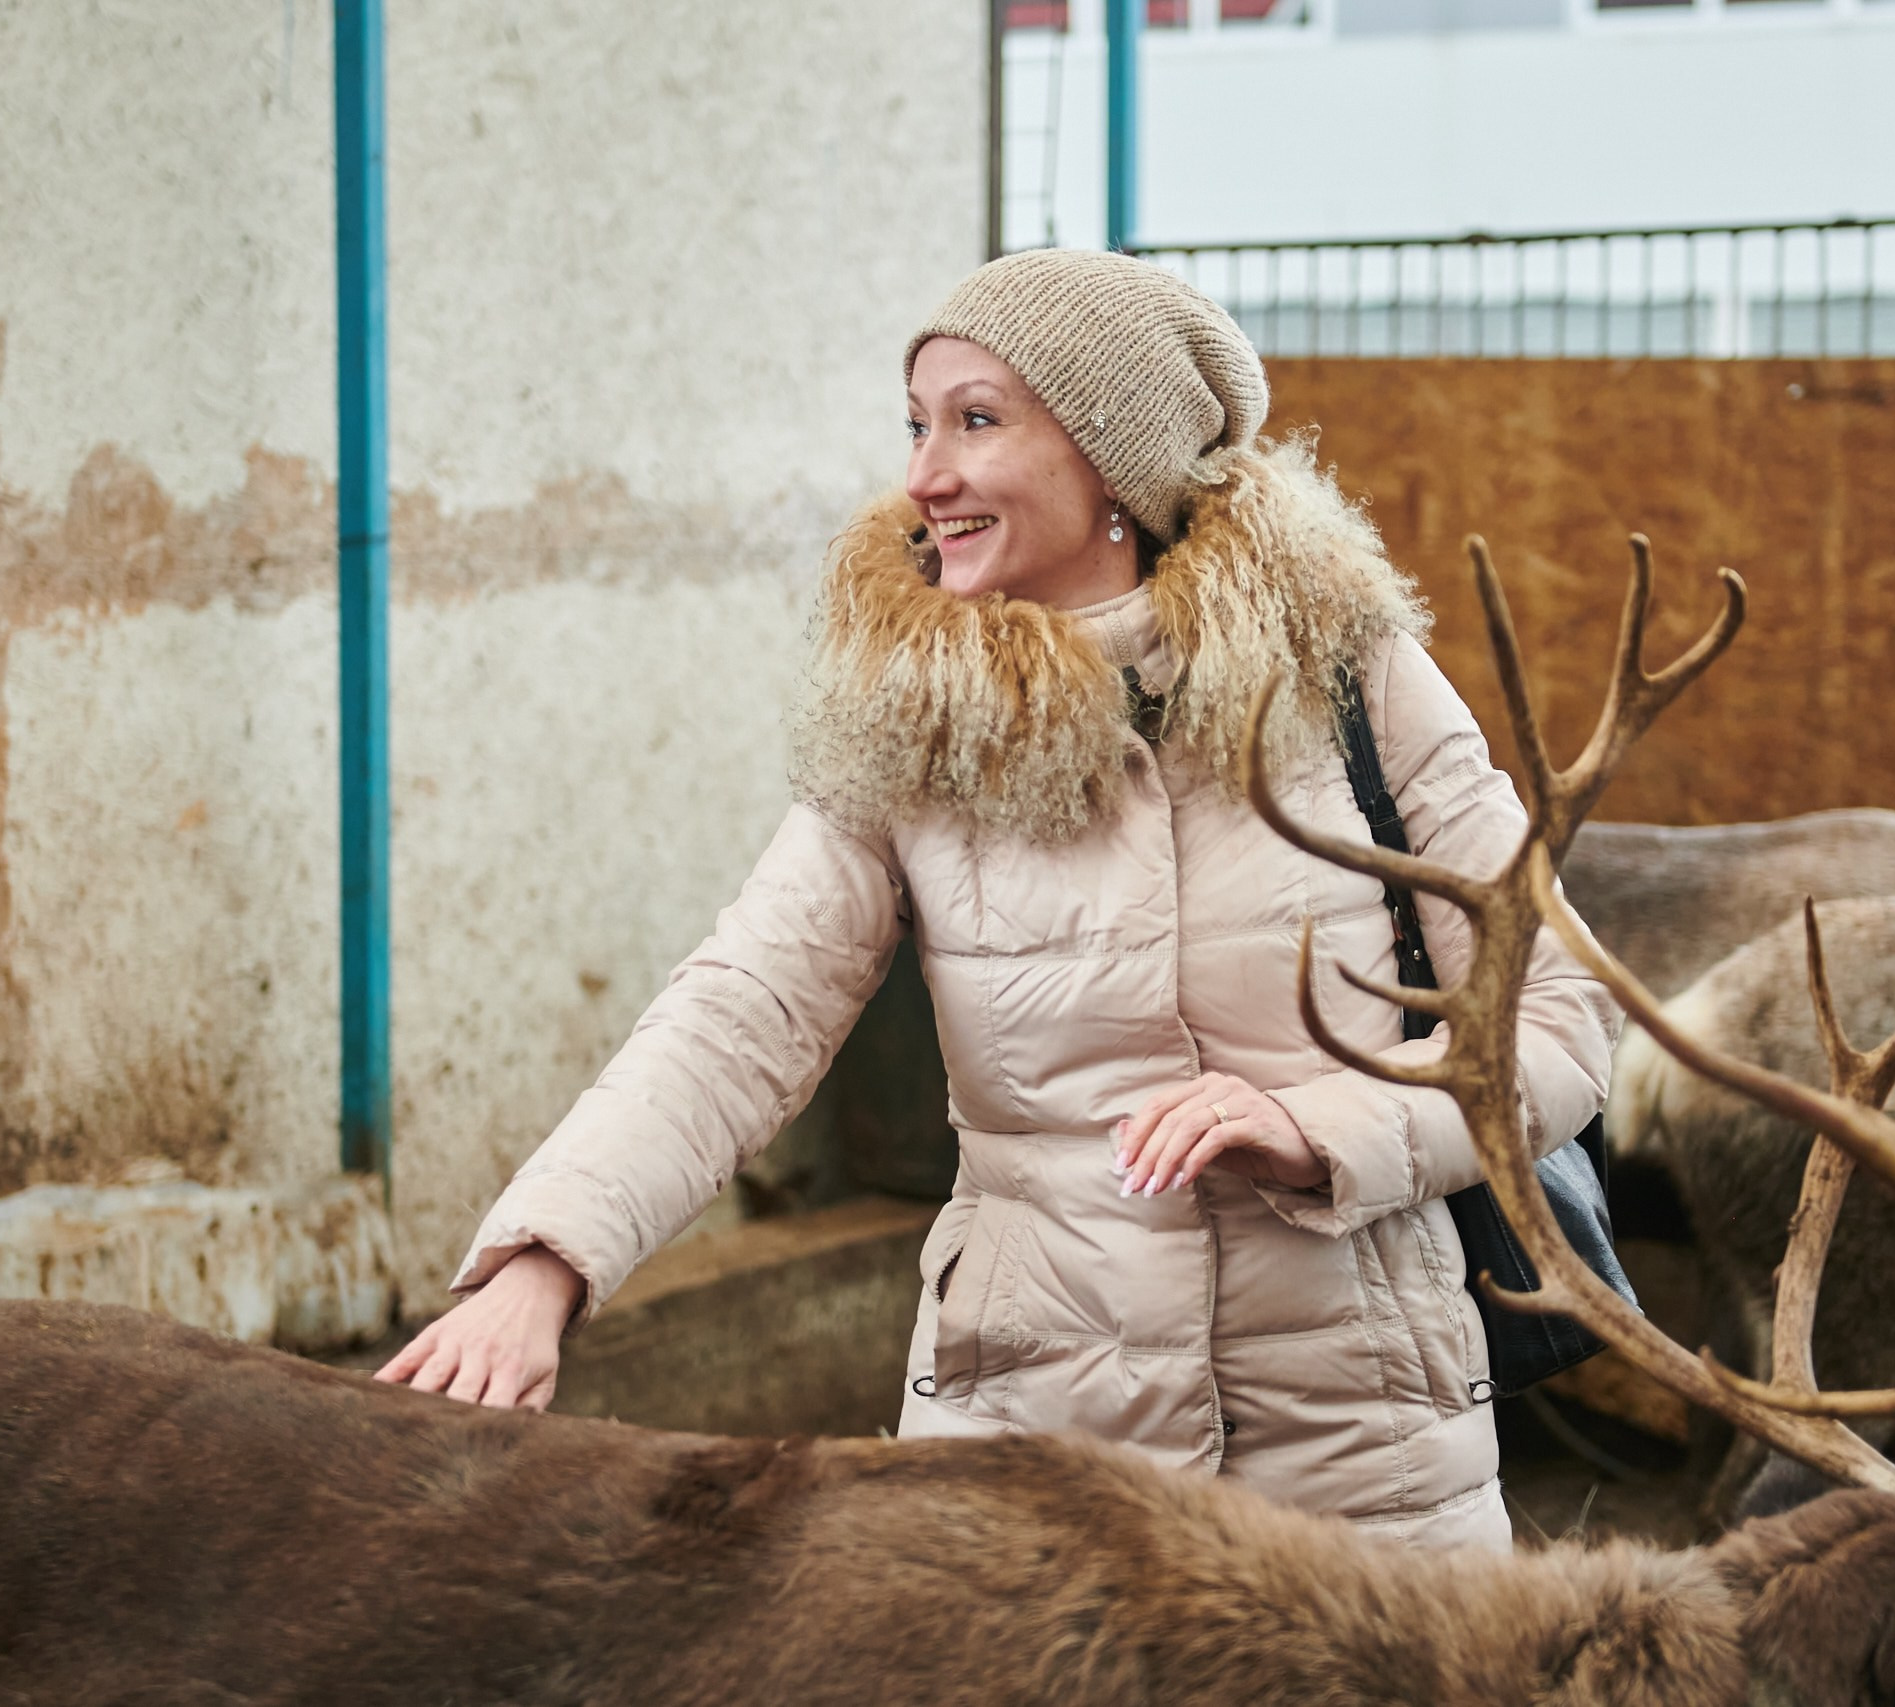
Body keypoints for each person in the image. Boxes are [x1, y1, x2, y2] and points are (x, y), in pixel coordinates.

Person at [377, 249, 1614, 1551]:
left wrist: (1327, 1131)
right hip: (1034, 1443)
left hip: (1362, 1462)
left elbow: (1561, 1016)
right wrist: (542, 1267)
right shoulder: (913, 719)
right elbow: (741, 1013)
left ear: (1110, 460)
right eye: (916, 425)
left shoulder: (1350, 674)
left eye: (977, 421)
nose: (925, 475)